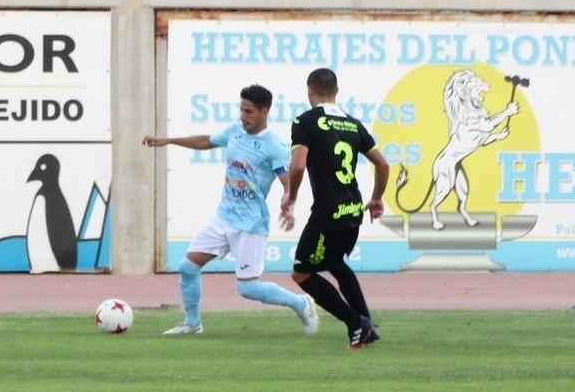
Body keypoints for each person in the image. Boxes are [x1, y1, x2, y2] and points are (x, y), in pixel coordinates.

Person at [143, 84, 318, 336]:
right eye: (241, 110)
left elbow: (286, 179)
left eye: (248, 111)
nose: (243, 116)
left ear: (264, 111)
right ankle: (192, 324)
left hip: (250, 225)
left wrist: (288, 201)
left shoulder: (273, 147)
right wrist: (168, 141)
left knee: (248, 288)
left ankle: (301, 303)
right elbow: (206, 141)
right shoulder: (235, 131)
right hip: (223, 217)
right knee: (187, 267)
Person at [280, 68, 390, 350]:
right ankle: (367, 324)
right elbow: (383, 164)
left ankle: (356, 324)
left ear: (310, 93)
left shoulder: (306, 121)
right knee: (336, 264)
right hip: (354, 209)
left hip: (328, 212)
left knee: (302, 273)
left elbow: (299, 164)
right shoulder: (354, 124)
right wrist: (376, 198)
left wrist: (290, 198)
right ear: (337, 92)